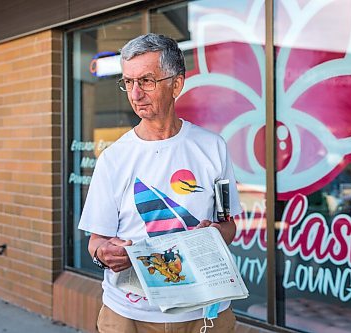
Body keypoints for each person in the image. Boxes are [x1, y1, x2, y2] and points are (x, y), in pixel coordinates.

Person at [78, 33, 242, 333]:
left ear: (176, 84)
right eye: (128, 82)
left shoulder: (212, 147)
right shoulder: (113, 158)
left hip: (205, 315)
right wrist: (105, 254)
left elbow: (229, 225)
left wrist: (218, 233)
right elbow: (96, 242)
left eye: (147, 81)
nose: (135, 94)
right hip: (129, 316)